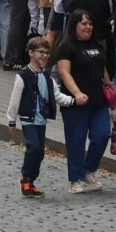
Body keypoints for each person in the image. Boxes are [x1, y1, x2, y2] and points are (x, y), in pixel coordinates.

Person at [51, 8, 112, 193]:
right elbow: (64, 73)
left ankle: (89, 169)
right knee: (76, 141)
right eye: (84, 24)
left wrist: (110, 89)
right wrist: (76, 93)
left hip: (98, 101)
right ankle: (75, 178)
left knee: (102, 135)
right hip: (76, 103)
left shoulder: (98, 45)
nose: (88, 27)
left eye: (90, 24)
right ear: (74, 25)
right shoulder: (67, 47)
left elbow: (103, 70)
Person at [8, 34, 69, 198]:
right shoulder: (23, 75)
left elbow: (57, 96)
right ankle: (25, 177)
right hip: (28, 119)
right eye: (40, 52)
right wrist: (11, 119)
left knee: (40, 152)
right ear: (31, 53)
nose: (44, 56)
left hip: (41, 119)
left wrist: (74, 100)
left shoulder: (47, 76)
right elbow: (15, 99)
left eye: (47, 53)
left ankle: (32, 180)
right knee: (33, 147)